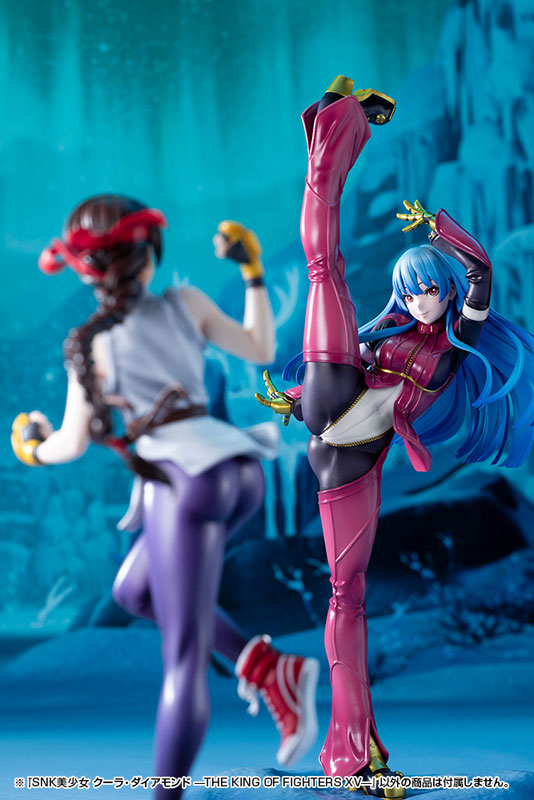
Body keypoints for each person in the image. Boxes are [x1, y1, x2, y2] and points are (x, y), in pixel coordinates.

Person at [256, 76, 534, 799]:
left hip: (354, 457)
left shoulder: (459, 339)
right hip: (334, 409)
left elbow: (481, 272)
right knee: (325, 269)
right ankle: (332, 133)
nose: (421, 299)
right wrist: (296, 400)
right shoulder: (383, 336)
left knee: (347, 596)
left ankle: (352, 753)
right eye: (410, 290)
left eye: (429, 288)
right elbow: (344, 369)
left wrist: (437, 227)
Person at [11, 196, 319, 798]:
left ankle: (166, 795)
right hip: (236, 470)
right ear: (150, 253)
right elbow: (260, 346)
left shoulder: (89, 343)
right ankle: (267, 668)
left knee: (183, 660)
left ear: (86, 270)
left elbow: (70, 444)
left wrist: (33, 447)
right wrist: (252, 272)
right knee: (134, 591)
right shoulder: (185, 302)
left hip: (182, 484)